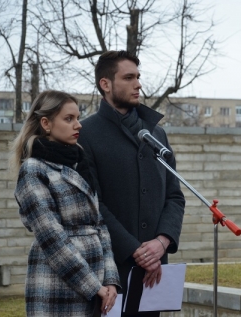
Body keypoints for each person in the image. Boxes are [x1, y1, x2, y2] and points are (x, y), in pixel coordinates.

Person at [78, 50, 185, 316]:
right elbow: (92, 204)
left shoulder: (156, 133)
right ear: (106, 84)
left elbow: (174, 195)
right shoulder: (86, 134)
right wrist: (135, 249)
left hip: (153, 273)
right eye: (129, 77)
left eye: (138, 76)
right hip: (109, 272)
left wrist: (161, 241)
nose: (138, 84)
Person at [10, 90, 120, 317]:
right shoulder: (33, 170)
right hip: (57, 286)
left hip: (98, 284)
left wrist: (110, 279)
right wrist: (94, 286)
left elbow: (100, 225)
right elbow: (52, 239)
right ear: (46, 123)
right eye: (68, 119)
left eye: (78, 118)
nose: (78, 125)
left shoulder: (79, 163)